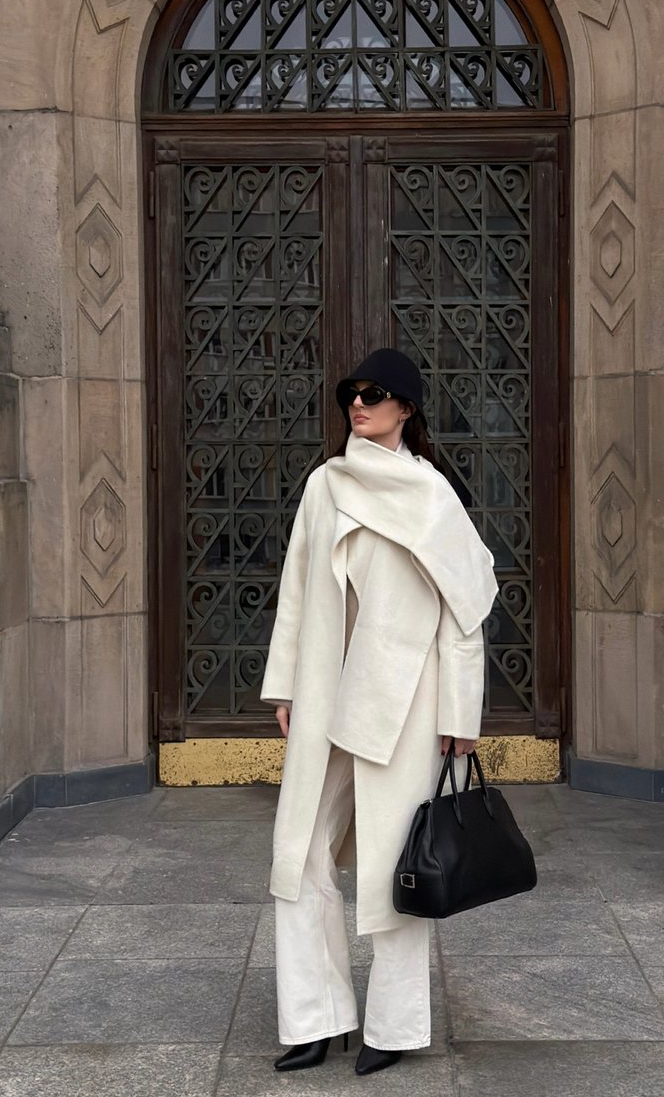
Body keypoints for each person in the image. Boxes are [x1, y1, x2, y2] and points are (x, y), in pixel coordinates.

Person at [260, 348, 497, 1076]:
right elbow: (298, 587)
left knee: (400, 867)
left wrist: (461, 712)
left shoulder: (433, 497)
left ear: (407, 409)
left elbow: (465, 614)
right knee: (296, 854)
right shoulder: (324, 486)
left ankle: (392, 1026)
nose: (358, 405)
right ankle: (314, 1016)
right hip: (328, 695)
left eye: (375, 394)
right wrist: (285, 686)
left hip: (407, 703)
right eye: (351, 394)